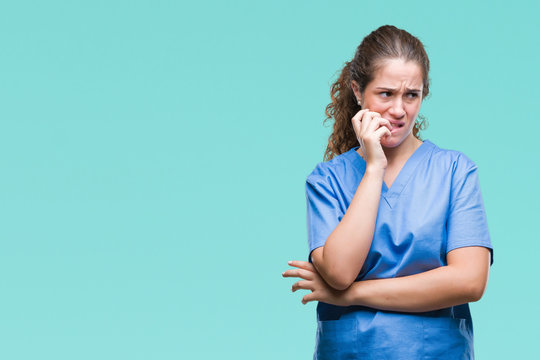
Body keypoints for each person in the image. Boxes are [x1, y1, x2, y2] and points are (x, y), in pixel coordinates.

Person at [282, 25, 493, 359]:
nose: (399, 110)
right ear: (357, 91)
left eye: (412, 95)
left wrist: (352, 296)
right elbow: (339, 272)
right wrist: (374, 168)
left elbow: (469, 281)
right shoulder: (327, 180)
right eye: (386, 94)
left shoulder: (455, 171)